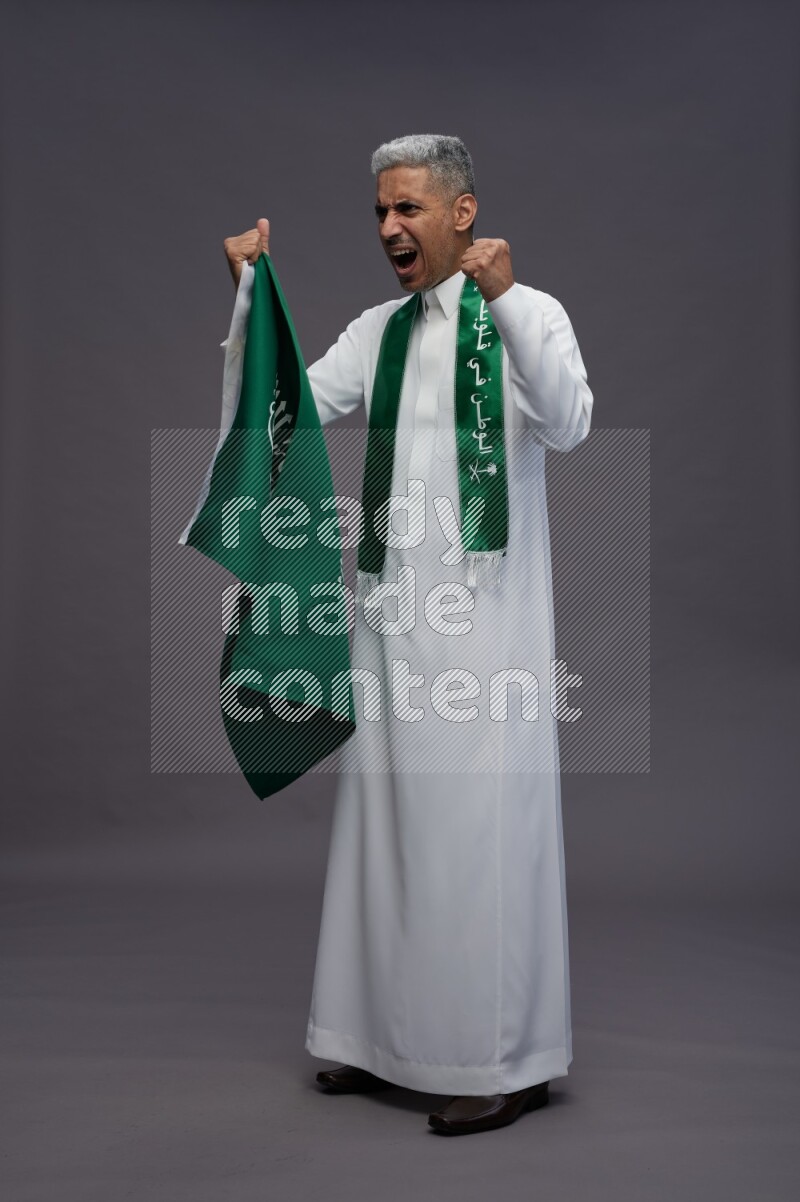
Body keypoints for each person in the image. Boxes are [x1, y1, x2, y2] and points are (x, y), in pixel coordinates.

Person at [222, 134, 593, 1135]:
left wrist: (508, 302)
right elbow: (287, 409)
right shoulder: (378, 327)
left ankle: (500, 1055)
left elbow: (568, 422)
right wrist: (252, 299)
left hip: (485, 633)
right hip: (393, 625)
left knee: (475, 840)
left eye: (407, 209)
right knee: (385, 830)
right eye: (379, 210)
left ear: (460, 214)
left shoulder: (530, 314)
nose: (388, 227)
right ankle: (368, 1036)